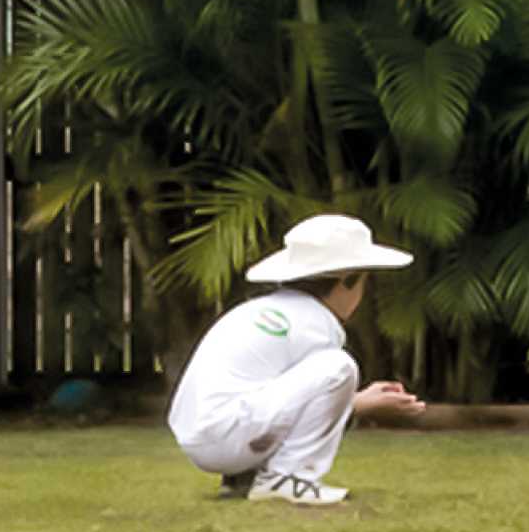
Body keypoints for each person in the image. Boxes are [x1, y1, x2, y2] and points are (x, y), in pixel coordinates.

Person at [166, 213, 427, 506]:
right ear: (348, 280)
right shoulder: (315, 323)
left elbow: (289, 400)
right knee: (339, 366)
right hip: (229, 436)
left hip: (203, 439)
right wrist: (357, 404)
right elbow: (314, 399)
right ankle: (288, 479)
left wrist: (358, 402)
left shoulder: (264, 311)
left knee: (331, 369)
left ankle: (245, 477)